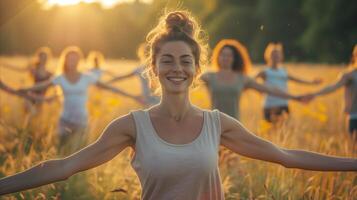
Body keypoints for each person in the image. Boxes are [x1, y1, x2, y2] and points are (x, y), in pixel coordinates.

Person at [0, 10, 356, 199]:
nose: (176, 68)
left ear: (197, 69)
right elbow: (62, 167)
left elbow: (286, 156)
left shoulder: (218, 124)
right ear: (153, 68)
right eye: (167, 60)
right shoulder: (131, 126)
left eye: (185, 60)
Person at [17, 46, 143, 146]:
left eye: (76, 59)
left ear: (79, 60)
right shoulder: (60, 78)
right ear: (65, 60)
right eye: (70, 59)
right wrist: (23, 89)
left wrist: (132, 96)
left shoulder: (86, 77)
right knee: (61, 150)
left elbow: (109, 87)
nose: (73, 61)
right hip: (65, 120)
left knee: (80, 151)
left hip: (82, 122)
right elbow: (41, 86)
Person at [201, 39, 301, 120]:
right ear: (218, 57)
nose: (225, 58)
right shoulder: (209, 76)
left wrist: (295, 97)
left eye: (229, 55)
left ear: (234, 59)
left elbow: (269, 89)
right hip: (213, 124)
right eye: (222, 55)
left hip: (234, 125)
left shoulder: (242, 79)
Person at [255, 42, 322, 122]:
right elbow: (251, 81)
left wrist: (312, 82)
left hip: (283, 103)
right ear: (268, 56)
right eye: (273, 54)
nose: (275, 56)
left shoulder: (283, 71)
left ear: (281, 56)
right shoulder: (265, 71)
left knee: (285, 129)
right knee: (270, 131)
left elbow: (297, 79)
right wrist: (259, 90)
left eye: (277, 54)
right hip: (270, 105)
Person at [303, 44, 357, 139]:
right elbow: (332, 87)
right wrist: (314, 94)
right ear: (355, 56)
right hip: (354, 117)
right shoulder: (349, 75)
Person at [0, 47, 54, 113]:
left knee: (38, 115)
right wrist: (4, 64)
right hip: (32, 93)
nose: (43, 59)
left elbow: (55, 84)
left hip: (42, 95)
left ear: (48, 59)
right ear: (39, 58)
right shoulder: (34, 69)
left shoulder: (50, 73)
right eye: (42, 57)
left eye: (45, 58)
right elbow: (18, 69)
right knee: (29, 113)